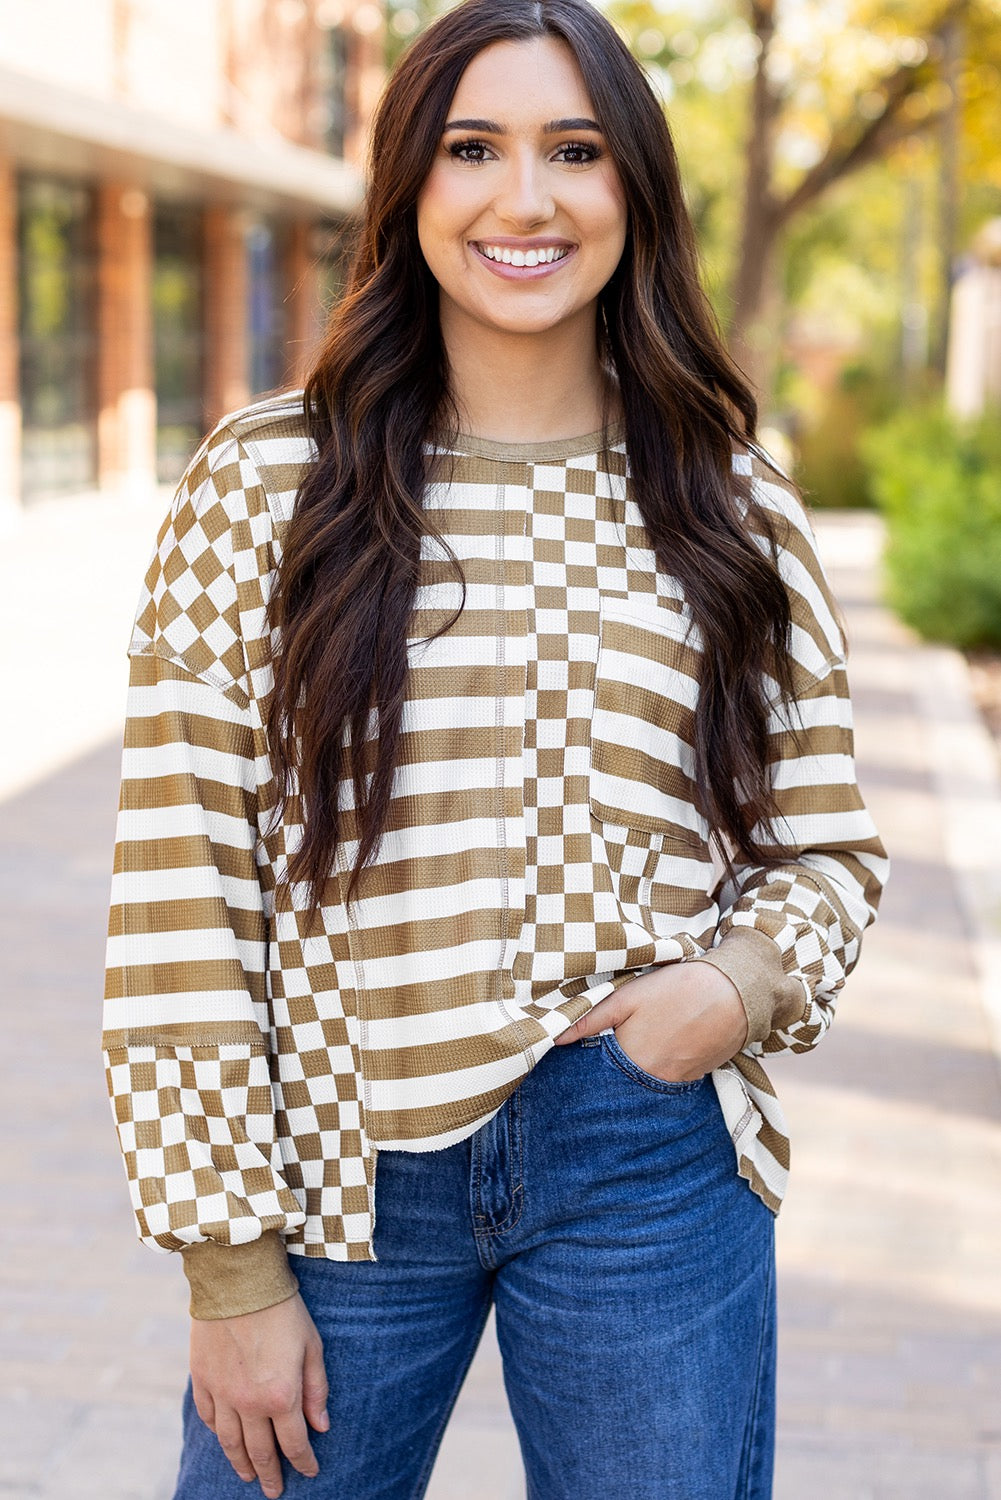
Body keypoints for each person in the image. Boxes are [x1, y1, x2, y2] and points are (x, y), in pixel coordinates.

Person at [103, 2, 887, 1497]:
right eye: (474, 149)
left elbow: (827, 848)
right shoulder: (268, 482)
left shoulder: (729, 499)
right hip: (334, 1168)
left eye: (574, 151)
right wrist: (228, 1268)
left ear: (634, 190)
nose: (525, 199)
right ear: (408, 186)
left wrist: (729, 992)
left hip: (641, 1156)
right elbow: (179, 900)